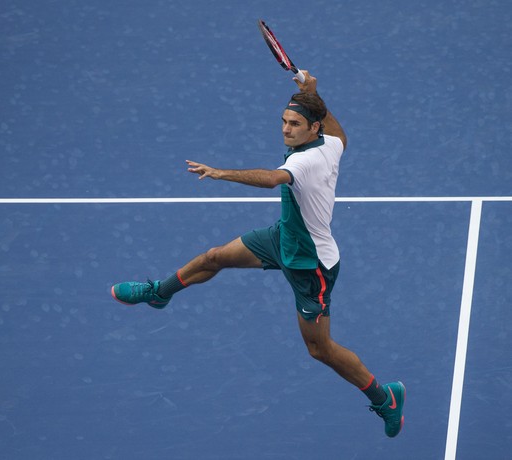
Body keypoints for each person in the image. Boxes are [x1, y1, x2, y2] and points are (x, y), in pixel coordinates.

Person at [110, 70, 405, 437]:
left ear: (314, 128)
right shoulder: (331, 143)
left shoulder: (303, 162)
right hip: (283, 238)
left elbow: (270, 178)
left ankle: (385, 398)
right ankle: (159, 293)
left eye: (295, 123)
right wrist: (313, 93)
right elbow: (340, 132)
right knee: (215, 257)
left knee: (320, 350)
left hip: (308, 263)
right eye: (283, 121)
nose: (285, 129)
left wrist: (220, 173)